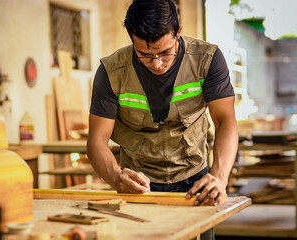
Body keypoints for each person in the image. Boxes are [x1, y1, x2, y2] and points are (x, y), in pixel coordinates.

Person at [87, 0, 238, 238]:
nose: (157, 63)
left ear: (178, 32)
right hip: (138, 186)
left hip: (196, 183)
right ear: (131, 39)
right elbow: (96, 140)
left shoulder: (207, 60)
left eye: (165, 52)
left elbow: (225, 121)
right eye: (144, 55)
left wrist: (219, 177)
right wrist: (117, 178)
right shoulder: (111, 71)